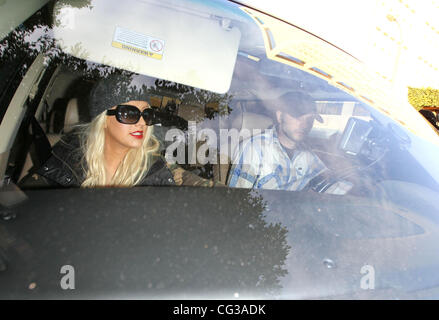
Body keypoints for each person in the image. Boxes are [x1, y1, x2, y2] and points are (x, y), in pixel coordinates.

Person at [20, 74, 175, 188]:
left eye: (146, 114)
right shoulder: (66, 161)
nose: (142, 123)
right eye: (129, 114)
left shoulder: (156, 173)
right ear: (103, 119)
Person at [227, 91, 351, 194]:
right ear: (280, 116)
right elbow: (236, 200)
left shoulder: (307, 155)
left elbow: (328, 184)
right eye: (297, 117)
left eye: (310, 119)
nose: (304, 125)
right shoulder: (254, 149)